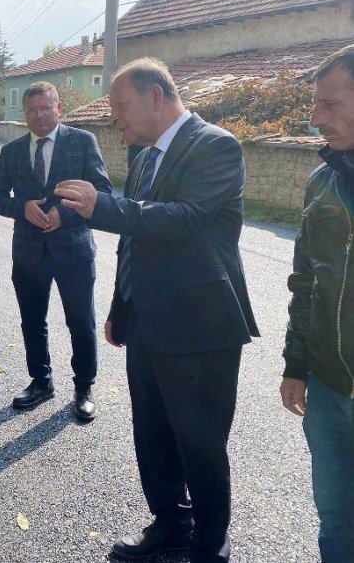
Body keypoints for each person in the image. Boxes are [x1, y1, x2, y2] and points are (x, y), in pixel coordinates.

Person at [56, 58, 259, 563]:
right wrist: (121, 307)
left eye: (121, 106)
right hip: (147, 319)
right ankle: (170, 526)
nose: (114, 119)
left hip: (201, 325)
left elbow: (186, 219)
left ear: (155, 97)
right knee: (151, 434)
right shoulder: (145, 154)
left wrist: (101, 206)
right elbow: (137, 238)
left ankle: (210, 547)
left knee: (200, 444)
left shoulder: (215, 145)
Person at [0, 81, 112, 420]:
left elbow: (102, 190)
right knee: (32, 321)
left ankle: (84, 388)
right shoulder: (10, 152)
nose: (40, 115)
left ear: (59, 107)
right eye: (32, 110)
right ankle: (41, 382)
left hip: (74, 250)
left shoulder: (83, 143)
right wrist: (21, 207)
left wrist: (65, 213)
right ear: (24, 114)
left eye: (46, 107)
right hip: (28, 252)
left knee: (81, 322)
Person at [281, 44, 354, 563]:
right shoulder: (320, 181)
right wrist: (296, 365)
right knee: (336, 522)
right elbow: (305, 281)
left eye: (329, 104)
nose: (314, 117)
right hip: (329, 390)